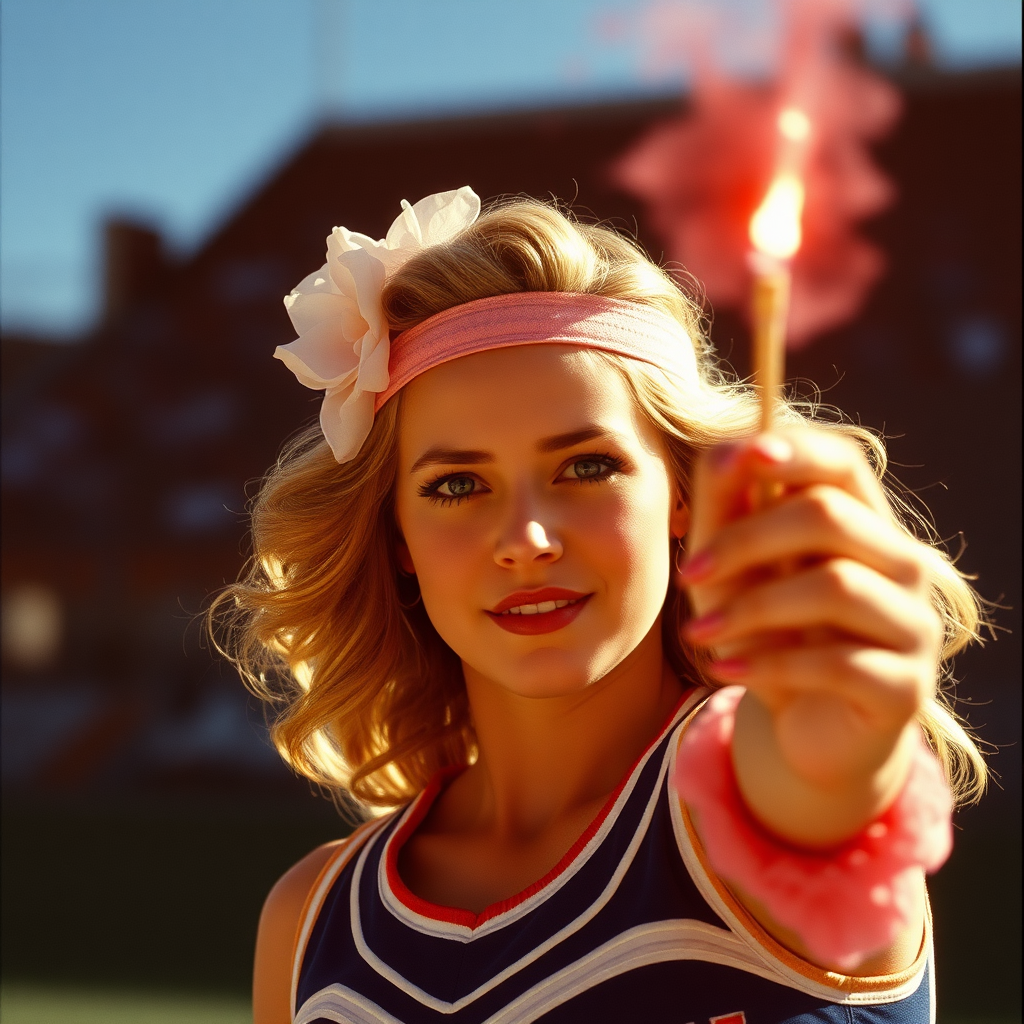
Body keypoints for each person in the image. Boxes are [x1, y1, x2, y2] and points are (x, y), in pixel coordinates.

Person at [212, 188, 987, 1023]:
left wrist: (844, 729)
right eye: (458, 485)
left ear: (684, 494)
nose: (527, 538)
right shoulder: (308, 922)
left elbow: (817, 779)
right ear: (399, 536)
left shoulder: (752, 796)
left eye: (586, 467)